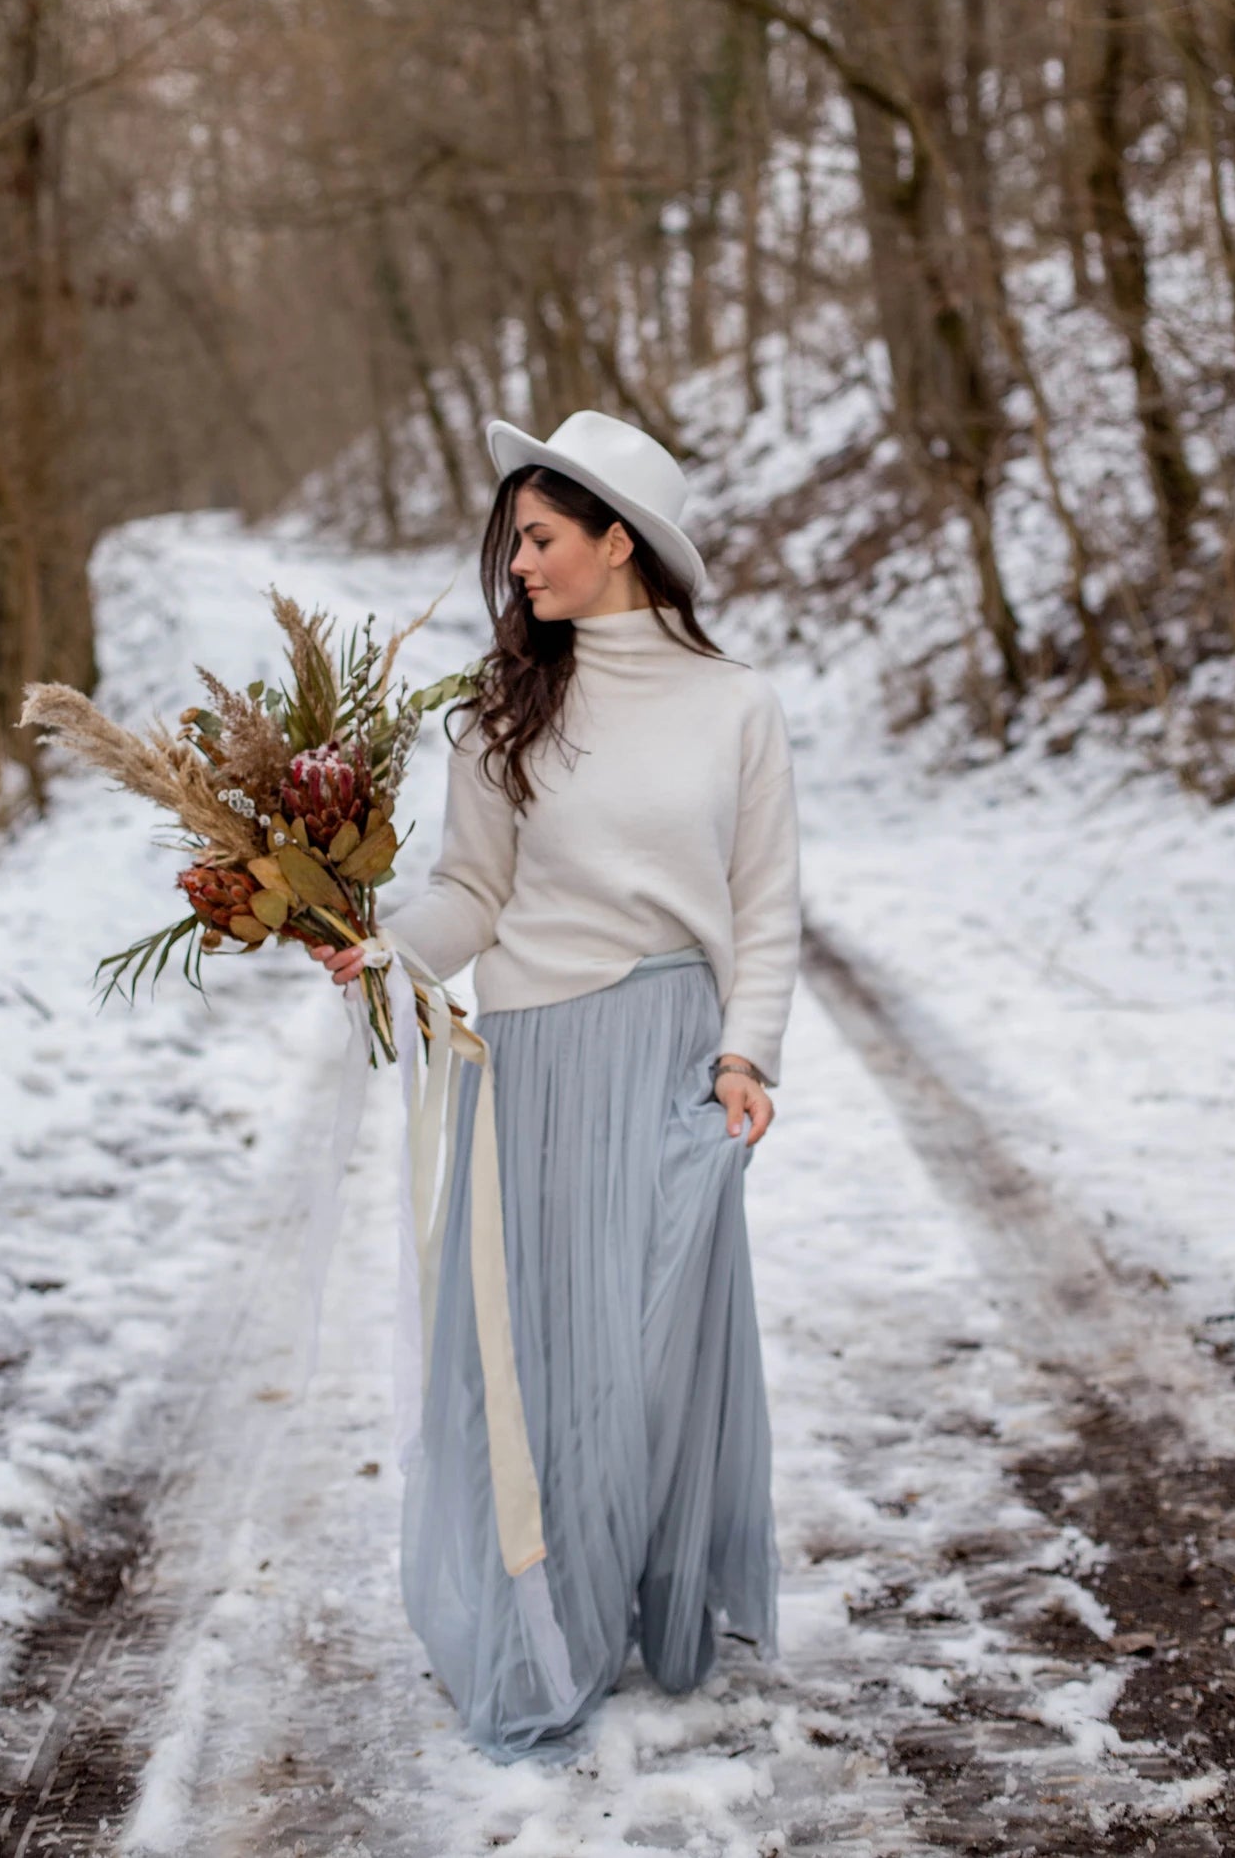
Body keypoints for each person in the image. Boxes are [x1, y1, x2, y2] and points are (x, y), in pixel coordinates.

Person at [309, 408, 801, 1762]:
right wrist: (384, 949)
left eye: (538, 537)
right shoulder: (503, 710)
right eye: (512, 541)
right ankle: (555, 1626)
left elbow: (762, 906)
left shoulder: (735, 704)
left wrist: (745, 1052)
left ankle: (652, 1588)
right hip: (533, 1059)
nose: (515, 563)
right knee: (550, 1359)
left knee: (653, 1342)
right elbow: (473, 892)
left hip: (670, 1053)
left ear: (617, 539)